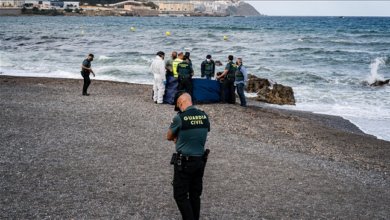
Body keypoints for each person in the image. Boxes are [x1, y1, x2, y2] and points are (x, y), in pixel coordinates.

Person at [167, 91, 210, 220]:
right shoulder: (204, 116)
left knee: (180, 195)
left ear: (180, 102)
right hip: (200, 161)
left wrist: (178, 137)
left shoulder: (179, 118)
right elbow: (199, 133)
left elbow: (169, 136)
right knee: (195, 195)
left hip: (185, 162)